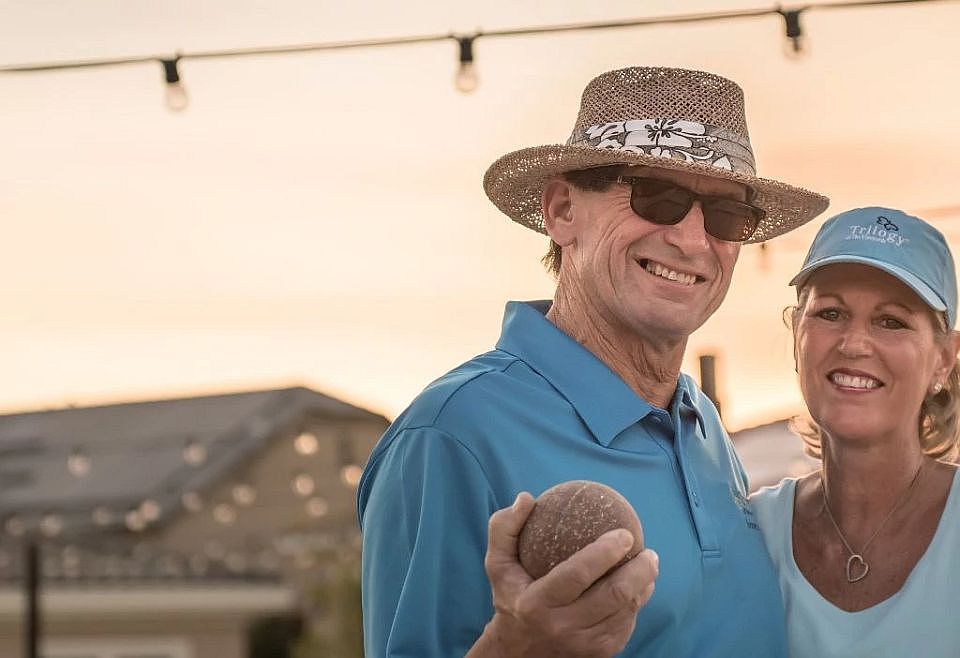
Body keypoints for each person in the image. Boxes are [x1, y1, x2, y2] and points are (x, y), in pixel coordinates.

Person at [358, 66, 828, 657]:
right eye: (657, 198)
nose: (691, 240)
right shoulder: (451, 434)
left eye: (726, 215)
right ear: (561, 211)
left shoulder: (699, 422)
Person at [752, 206, 960, 657]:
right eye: (830, 313)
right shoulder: (750, 533)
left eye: (891, 321)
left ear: (944, 358)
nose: (854, 344)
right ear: (796, 334)